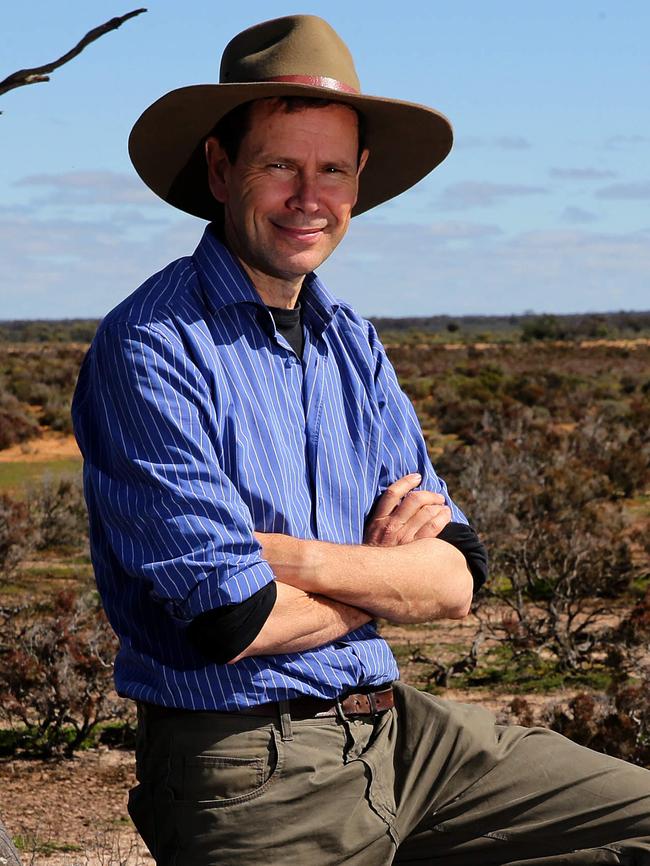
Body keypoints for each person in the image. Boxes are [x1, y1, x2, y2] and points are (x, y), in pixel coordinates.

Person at [71, 14, 650, 866]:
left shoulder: (351, 340)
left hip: (403, 737)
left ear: (360, 178)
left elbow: (457, 578)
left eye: (333, 170)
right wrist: (383, 579)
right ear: (222, 169)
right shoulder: (152, 347)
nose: (311, 197)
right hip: (248, 763)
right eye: (281, 166)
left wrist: (286, 559)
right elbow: (232, 618)